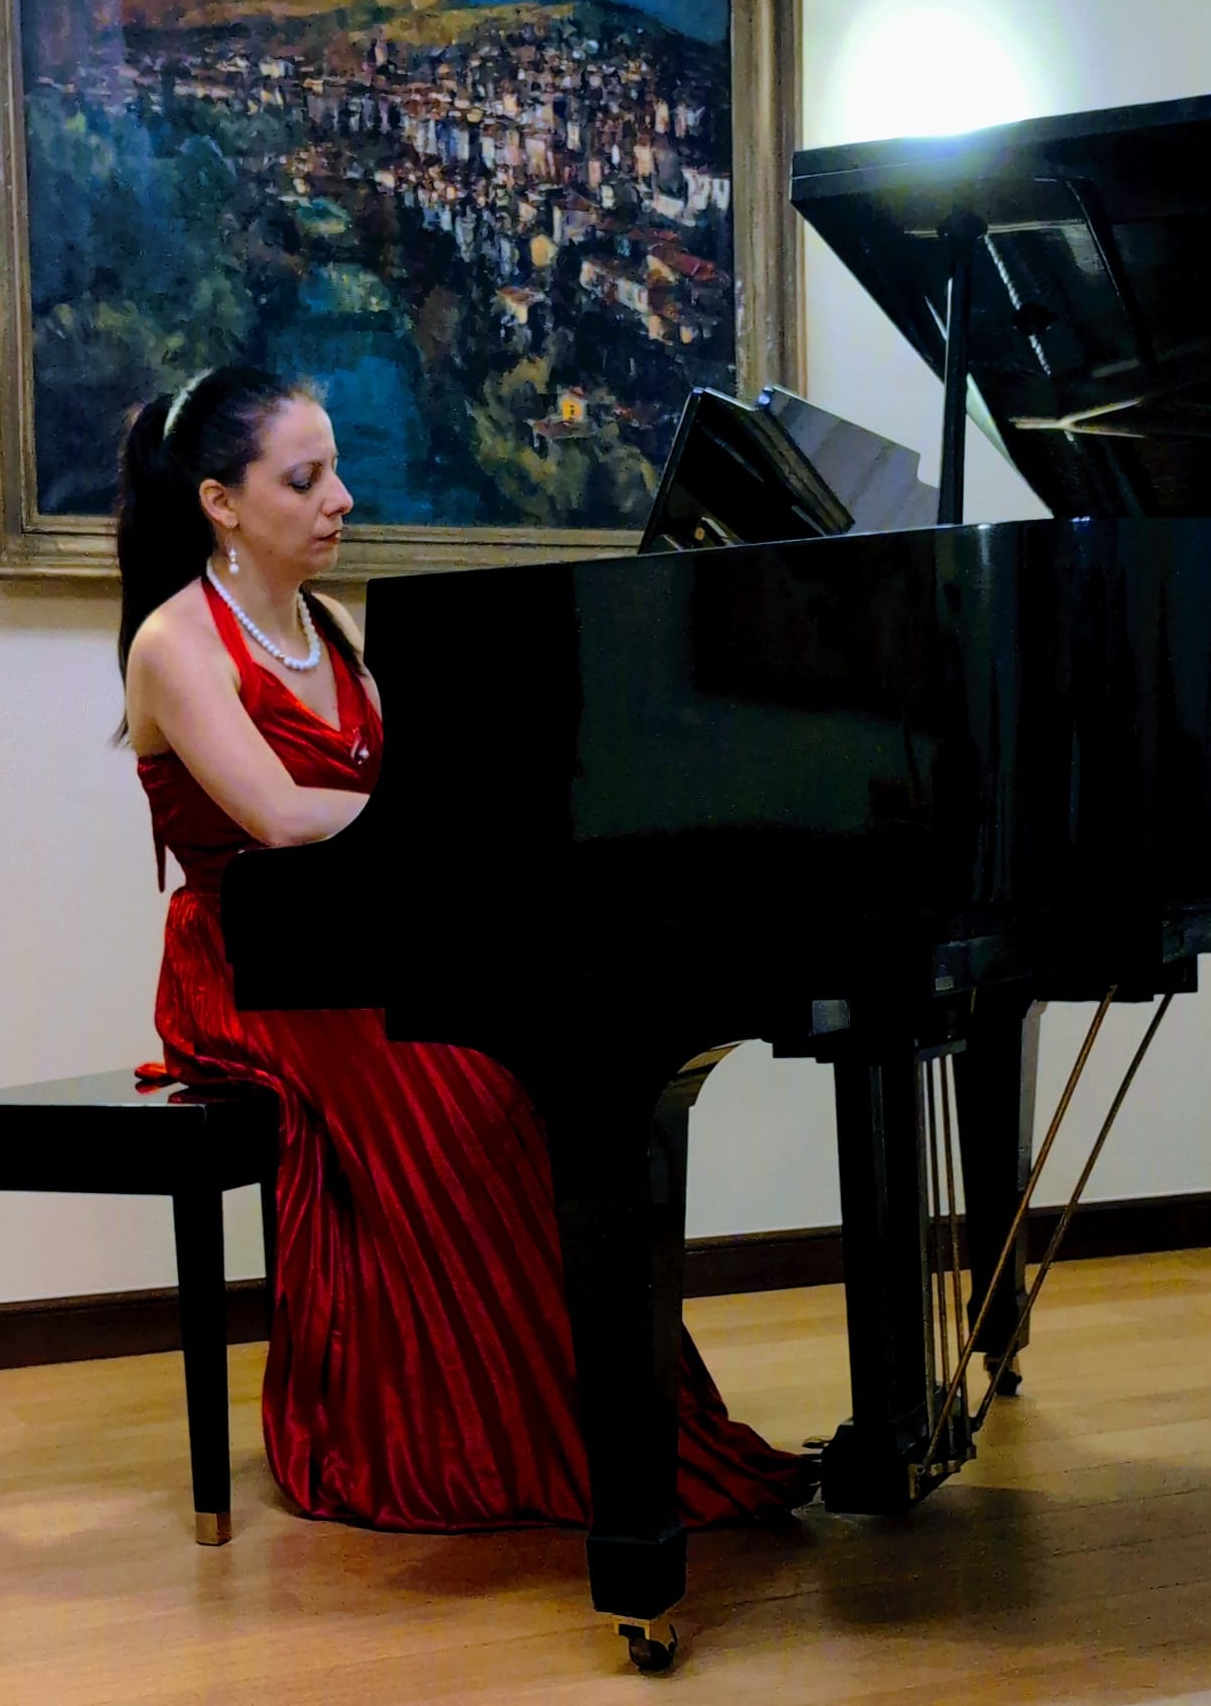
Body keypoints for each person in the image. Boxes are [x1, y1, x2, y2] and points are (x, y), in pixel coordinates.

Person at [118, 363, 812, 1531]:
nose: (341, 496)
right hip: (252, 963)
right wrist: (452, 824)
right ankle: (501, 1434)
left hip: (356, 941)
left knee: (535, 1075)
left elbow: (404, 789)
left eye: (336, 468)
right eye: (305, 477)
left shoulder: (329, 625)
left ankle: (610, 1423)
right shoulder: (174, 639)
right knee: (468, 1091)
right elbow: (280, 817)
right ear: (221, 503)